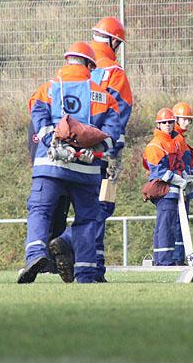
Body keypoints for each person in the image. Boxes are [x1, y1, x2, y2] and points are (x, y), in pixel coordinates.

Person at [19, 42, 122, 284]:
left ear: (67, 62)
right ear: (90, 66)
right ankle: (85, 273)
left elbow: (39, 121)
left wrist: (52, 142)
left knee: (40, 211)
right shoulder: (105, 97)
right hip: (86, 171)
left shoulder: (46, 90)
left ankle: (35, 253)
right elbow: (111, 134)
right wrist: (95, 150)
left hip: (50, 165)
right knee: (87, 219)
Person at [49, 17, 132, 283]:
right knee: (100, 208)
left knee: (83, 207)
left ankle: (89, 263)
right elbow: (118, 115)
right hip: (98, 150)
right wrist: (110, 149)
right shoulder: (113, 73)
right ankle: (84, 258)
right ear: (115, 42)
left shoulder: (73, 68)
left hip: (62, 147)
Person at [143, 108, 188, 266]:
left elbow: (181, 163)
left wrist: (186, 175)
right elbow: (157, 171)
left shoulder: (176, 141)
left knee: (170, 226)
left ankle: (166, 259)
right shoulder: (155, 145)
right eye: (164, 122)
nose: (168, 125)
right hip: (165, 191)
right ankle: (163, 260)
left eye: (170, 122)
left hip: (173, 191)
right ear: (158, 124)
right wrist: (177, 178)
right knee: (165, 227)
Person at [171, 101, 193, 264]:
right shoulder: (175, 138)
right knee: (177, 222)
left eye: (190, 120)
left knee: (181, 223)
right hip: (177, 186)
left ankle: (180, 256)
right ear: (176, 119)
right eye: (185, 119)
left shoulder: (180, 138)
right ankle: (176, 257)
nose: (188, 123)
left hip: (183, 184)